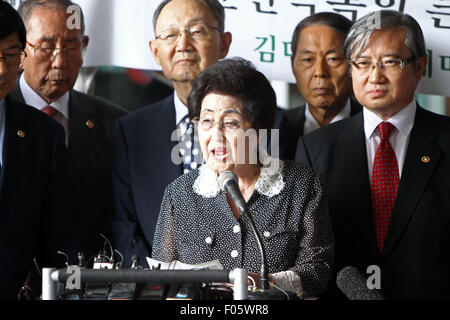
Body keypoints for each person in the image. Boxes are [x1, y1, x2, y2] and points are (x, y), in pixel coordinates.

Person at [296, 10, 450, 299]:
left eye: (390, 62)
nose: (375, 76)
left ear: (419, 67)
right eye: (363, 63)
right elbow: (307, 252)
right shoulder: (315, 148)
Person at [152, 58, 333, 297]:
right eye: (206, 121)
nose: (215, 136)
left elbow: (317, 270)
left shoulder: (302, 184)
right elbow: (160, 276)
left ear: (258, 132)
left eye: (230, 123)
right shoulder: (180, 192)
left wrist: (263, 283)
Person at [112, 0, 232, 267]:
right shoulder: (132, 131)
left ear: (224, 43)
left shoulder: (260, 125)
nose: (183, 45)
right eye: (170, 34)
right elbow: (124, 224)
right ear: (155, 50)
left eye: (197, 31)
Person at [10, 0, 127, 260]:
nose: (60, 61)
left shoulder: (115, 125)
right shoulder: (3, 115)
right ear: (19, 49)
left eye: (72, 46)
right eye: (46, 47)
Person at [0, 1, 80, 300]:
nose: (2, 69)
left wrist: (70, 293)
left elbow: (62, 241)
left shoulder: (43, 135)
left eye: (11, 55)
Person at [273, 12, 362, 161]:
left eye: (333, 59)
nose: (320, 72)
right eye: (308, 59)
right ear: (293, 65)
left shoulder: (376, 130)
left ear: (354, 64)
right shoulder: (272, 129)